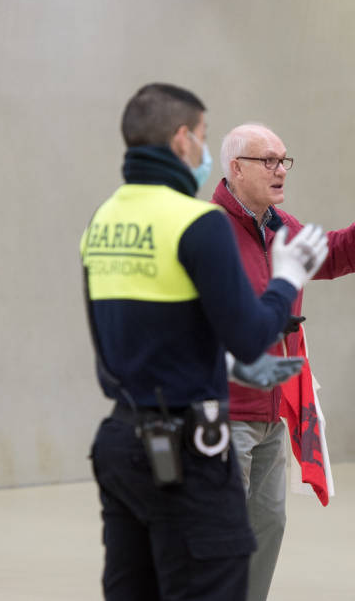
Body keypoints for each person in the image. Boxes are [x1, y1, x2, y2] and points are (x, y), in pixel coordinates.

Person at [81, 84, 329, 601]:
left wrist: (227, 369)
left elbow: (124, 337)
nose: (206, 151)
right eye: (204, 137)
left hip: (121, 440)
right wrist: (285, 279)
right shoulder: (198, 222)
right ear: (181, 141)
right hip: (190, 443)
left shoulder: (101, 222)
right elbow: (251, 333)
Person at [211, 122, 355, 601]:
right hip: (225, 410)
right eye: (268, 161)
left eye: (284, 160)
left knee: (268, 525)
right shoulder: (207, 231)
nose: (281, 171)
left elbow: (332, 254)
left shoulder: (282, 227)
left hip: (274, 411)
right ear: (236, 169)